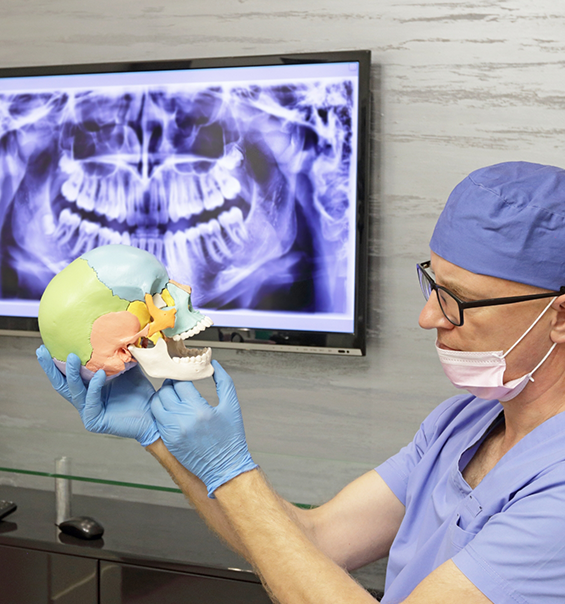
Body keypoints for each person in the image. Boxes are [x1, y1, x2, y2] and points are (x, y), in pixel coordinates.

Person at [37, 161, 565, 604]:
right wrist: (161, 437)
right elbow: (315, 542)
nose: (429, 317)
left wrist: (233, 471)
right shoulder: (462, 423)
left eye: (459, 300)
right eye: (434, 285)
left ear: (559, 316)